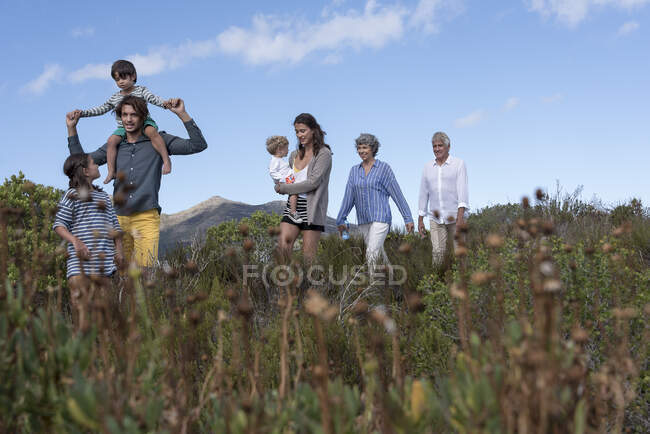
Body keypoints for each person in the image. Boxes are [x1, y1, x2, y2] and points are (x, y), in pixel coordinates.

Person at [66, 95, 208, 267]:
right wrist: (72, 129)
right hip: (117, 219)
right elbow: (80, 163)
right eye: (124, 115)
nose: (128, 119)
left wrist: (182, 114)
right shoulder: (113, 146)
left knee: (146, 273)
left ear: (143, 117)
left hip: (147, 216)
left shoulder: (159, 141)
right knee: (119, 273)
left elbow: (197, 145)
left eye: (133, 115)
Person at [67, 59, 173, 184]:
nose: (120, 82)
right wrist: (83, 113)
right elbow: (101, 109)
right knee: (111, 141)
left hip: (144, 122)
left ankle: (166, 161)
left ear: (133, 76)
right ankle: (112, 171)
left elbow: (154, 99)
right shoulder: (115, 97)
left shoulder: (141, 90)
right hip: (124, 128)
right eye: (117, 80)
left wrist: (166, 104)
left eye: (123, 78)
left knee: (152, 132)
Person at [53, 152, 123, 328]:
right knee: (82, 322)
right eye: (94, 163)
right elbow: (59, 225)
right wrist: (75, 241)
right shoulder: (72, 194)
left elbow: (116, 228)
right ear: (85, 171)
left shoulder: (104, 197)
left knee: (105, 322)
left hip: (106, 268)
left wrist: (119, 252)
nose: (97, 165)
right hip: (80, 267)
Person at [336, 133, 414, 267]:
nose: (361, 151)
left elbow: (397, 194)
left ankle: (372, 286)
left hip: (381, 218)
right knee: (379, 254)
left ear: (372, 149)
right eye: (359, 148)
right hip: (363, 220)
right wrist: (340, 219)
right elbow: (349, 197)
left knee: (371, 253)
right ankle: (392, 280)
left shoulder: (384, 169)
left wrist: (408, 218)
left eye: (365, 147)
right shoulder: (354, 171)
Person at [274, 113, 332, 262]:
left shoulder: (324, 154)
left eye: (303, 130)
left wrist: (285, 188)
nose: (299, 135)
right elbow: (289, 178)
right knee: (282, 249)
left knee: (308, 259)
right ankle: (284, 284)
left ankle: (309, 285)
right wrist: (279, 183)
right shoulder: (293, 154)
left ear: (313, 130)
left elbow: (313, 183)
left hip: (312, 210)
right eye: (297, 131)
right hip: (292, 208)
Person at [417, 131, 469, 267]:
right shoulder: (427, 167)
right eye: (434, 146)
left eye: (440, 145)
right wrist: (420, 219)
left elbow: (462, 192)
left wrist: (460, 218)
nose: (437, 149)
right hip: (436, 219)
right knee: (438, 254)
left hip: (455, 217)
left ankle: (462, 281)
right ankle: (438, 284)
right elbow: (423, 193)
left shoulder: (458, 164)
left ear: (448, 147)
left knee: (459, 252)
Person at [266, 135, 302, 223]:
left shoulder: (279, 160)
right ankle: (293, 212)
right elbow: (272, 172)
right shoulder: (275, 161)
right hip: (285, 181)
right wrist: (282, 180)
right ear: (279, 149)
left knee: (296, 192)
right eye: (286, 148)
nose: (288, 150)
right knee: (294, 193)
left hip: (288, 179)